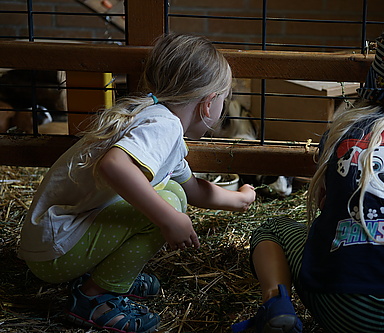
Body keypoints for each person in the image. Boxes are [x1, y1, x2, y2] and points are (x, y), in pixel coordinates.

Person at [233, 16, 384, 333]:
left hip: (342, 308)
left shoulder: (344, 131)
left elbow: (325, 208)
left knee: (273, 229)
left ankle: (276, 304)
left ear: (377, 70)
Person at [18, 33, 256, 333]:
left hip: (57, 237)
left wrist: (240, 199)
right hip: (56, 250)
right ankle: (95, 298)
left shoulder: (157, 119)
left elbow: (192, 188)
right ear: (208, 105)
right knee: (167, 206)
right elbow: (114, 165)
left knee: (172, 193)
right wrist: (169, 219)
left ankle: (108, 273)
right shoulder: (163, 125)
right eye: (225, 99)